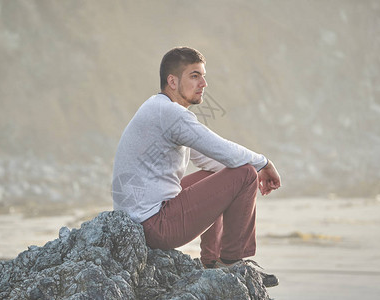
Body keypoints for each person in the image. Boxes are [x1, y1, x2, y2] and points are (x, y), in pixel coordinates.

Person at [112, 46, 281, 287]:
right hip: (154, 225)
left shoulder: (158, 108)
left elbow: (211, 158)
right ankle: (232, 262)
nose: (203, 83)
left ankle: (211, 261)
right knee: (244, 174)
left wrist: (255, 168)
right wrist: (263, 163)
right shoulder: (171, 114)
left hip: (140, 221)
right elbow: (224, 150)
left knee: (226, 170)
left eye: (203, 75)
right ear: (172, 81)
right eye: (194, 76)